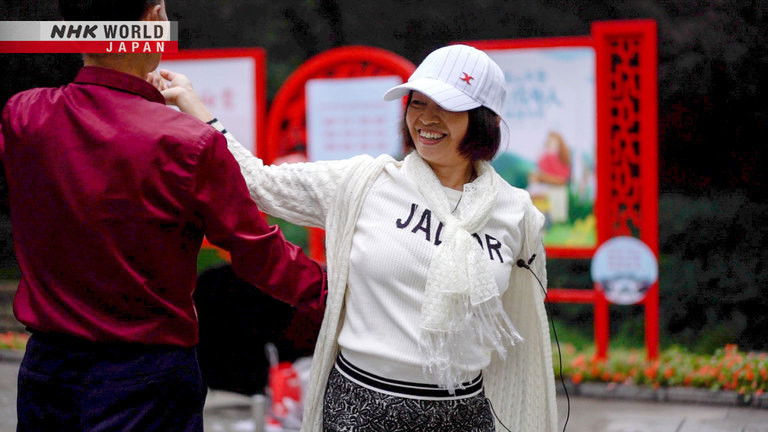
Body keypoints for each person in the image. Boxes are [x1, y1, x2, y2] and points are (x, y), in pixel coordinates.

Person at [161, 44, 557, 432]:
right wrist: (192, 104)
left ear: (483, 119)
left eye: (447, 107)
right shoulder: (365, 183)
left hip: (464, 414)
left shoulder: (516, 212)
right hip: (362, 406)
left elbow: (521, 321)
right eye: (417, 103)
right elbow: (259, 183)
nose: (427, 119)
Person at [0, 1, 326, 431]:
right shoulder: (187, 142)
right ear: (154, 18)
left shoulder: (23, 115)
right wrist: (344, 299)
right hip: (145, 380)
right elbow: (257, 252)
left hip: (47, 370)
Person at [528, 131, 572, 224]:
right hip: (544, 190)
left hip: (555, 190)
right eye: (550, 142)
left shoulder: (563, 158)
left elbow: (563, 179)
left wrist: (544, 178)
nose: (552, 145)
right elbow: (537, 174)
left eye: (554, 142)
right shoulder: (545, 157)